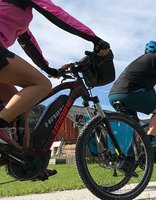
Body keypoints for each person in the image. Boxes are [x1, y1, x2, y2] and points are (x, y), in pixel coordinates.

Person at [0, 0, 110, 149]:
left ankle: (26, 165)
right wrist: (94, 39)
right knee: (42, 85)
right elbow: (55, 13)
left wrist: (48, 69)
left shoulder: (19, 14)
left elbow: (28, 43)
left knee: (18, 109)